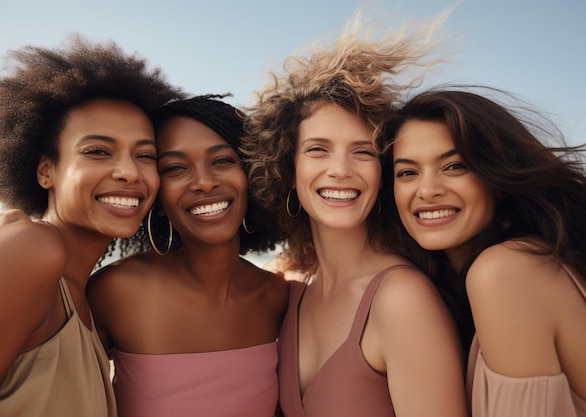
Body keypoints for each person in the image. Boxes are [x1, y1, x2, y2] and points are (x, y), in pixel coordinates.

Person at [240, 21, 467, 417]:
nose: (341, 170)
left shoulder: (401, 299)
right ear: (288, 171)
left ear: (382, 173)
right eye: (318, 150)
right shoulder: (298, 294)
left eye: (362, 152)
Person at [0, 35, 182, 417]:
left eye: (145, 155)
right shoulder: (29, 251)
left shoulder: (87, 298)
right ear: (46, 170)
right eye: (98, 151)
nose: (130, 172)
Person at [380, 88, 586, 417]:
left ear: (496, 179)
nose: (428, 190)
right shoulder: (524, 261)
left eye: (455, 166)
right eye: (407, 172)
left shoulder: (505, 271)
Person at [85, 95, 289, 417]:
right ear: (157, 193)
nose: (205, 182)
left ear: (252, 175)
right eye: (176, 168)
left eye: (222, 161)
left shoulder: (277, 297)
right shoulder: (115, 291)